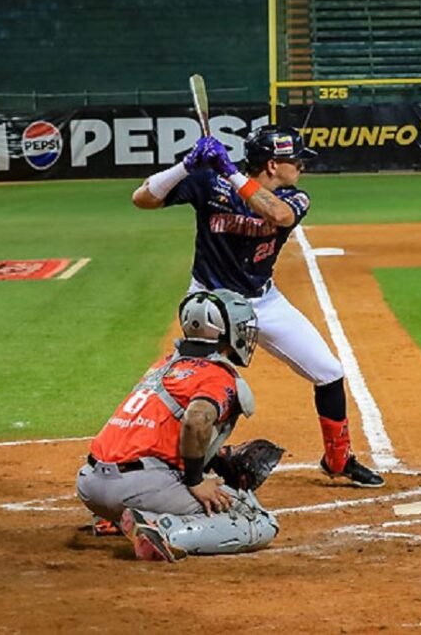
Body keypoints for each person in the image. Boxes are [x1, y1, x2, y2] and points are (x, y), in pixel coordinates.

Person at [131, 126, 385, 488]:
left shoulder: (295, 197)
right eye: (295, 160)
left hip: (263, 302)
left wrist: (230, 172)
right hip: (211, 308)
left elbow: (278, 215)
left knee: (328, 372)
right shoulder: (209, 183)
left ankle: (338, 459)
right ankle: (173, 463)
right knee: (192, 387)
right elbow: (142, 199)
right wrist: (186, 166)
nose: (301, 166)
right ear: (272, 165)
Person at [76, 289, 280, 561]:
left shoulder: (164, 365)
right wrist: (196, 481)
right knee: (257, 520)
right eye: (241, 327)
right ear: (226, 332)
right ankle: (163, 529)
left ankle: (115, 518)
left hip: (90, 484)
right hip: (135, 487)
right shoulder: (216, 375)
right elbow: (196, 420)